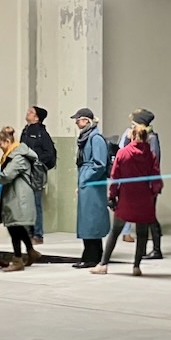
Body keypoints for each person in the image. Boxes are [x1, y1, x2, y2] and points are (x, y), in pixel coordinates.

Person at [92, 124, 163, 275]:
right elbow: (156, 178)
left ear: (132, 136)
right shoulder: (150, 155)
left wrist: (112, 196)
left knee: (115, 232)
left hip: (126, 197)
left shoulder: (123, 153)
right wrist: (153, 193)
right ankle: (136, 266)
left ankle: (103, 264)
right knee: (142, 233)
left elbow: (115, 177)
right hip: (144, 198)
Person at [118, 108, 164, 258]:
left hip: (148, 185)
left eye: (134, 124)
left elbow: (152, 163)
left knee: (149, 217)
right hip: (138, 185)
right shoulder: (135, 137)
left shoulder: (151, 139)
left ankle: (157, 249)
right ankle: (142, 250)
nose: (131, 127)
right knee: (142, 218)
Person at [0, 126, 41, 271]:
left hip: (19, 197)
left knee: (14, 227)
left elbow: (7, 175)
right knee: (17, 227)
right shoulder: (15, 154)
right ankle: (31, 251)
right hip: (15, 195)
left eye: (0, 144)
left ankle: (17, 260)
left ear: (7, 141)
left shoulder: (18, 156)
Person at [71, 107, 111, 267]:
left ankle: (91, 256)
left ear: (86, 120)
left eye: (78, 120)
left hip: (92, 184)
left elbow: (100, 164)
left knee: (91, 220)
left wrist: (86, 178)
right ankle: (92, 254)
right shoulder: (88, 137)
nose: (76, 123)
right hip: (88, 183)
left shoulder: (95, 138)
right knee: (88, 220)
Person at [20, 106, 57, 245]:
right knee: (26, 204)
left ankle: (38, 234)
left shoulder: (42, 134)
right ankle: (29, 233)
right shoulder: (25, 131)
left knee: (36, 203)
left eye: (31, 112)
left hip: (36, 173)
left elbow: (49, 153)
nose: (27, 113)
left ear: (36, 118)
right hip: (25, 172)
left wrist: (36, 161)